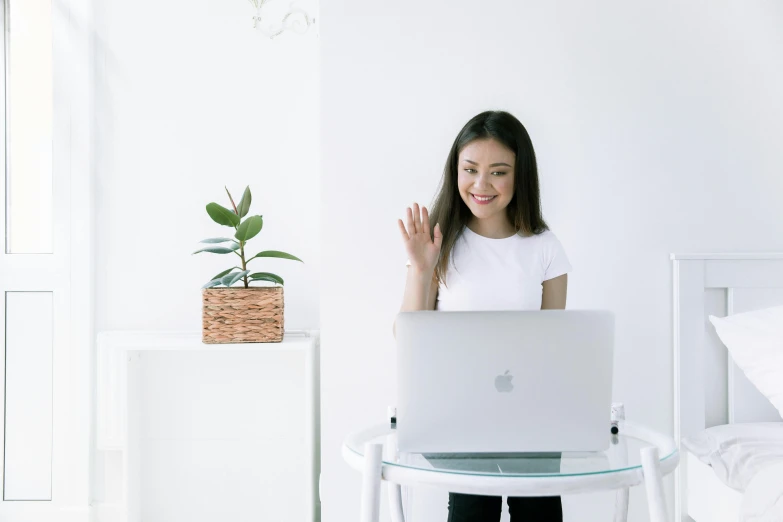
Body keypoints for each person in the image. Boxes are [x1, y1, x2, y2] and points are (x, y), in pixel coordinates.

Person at [393, 110, 571, 522]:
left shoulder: (545, 248)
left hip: (531, 413)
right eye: (470, 170)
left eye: (498, 172)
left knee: (540, 512)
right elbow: (407, 338)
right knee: (473, 511)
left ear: (520, 175)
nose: (481, 185)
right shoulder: (438, 241)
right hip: (458, 413)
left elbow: (557, 344)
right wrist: (422, 270)